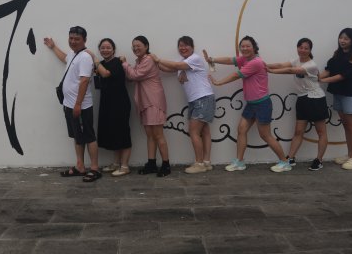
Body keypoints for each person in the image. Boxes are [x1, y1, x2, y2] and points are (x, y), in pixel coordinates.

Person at [204, 36, 292, 173]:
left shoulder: (256, 62)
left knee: (265, 135)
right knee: (241, 130)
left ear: (254, 48)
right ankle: (239, 162)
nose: (244, 48)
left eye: (248, 46)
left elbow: (236, 75)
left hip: (262, 103)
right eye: (242, 46)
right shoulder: (244, 59)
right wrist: (212, 59)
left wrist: (219, 82)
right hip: (251, 103)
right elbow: (230, 60)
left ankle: (284, 162)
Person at [43, 26, 101, 182]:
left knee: (89, 136)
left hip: (81, 106)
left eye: (77, 39)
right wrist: (53, 47)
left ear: (84, 40)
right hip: (69, 104)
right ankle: (80, 166)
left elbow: (84, 81)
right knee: (77, 136)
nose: (73, 41)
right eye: (71, 38)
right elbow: (65, 58)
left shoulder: (85, 57)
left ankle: (94, 168)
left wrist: (78, 104)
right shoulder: (73, 54)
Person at [151, 36, 215, 174]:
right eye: (180, 45)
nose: (183, 48)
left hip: (203, 98)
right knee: (204, 131)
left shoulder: (195, 59)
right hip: (196, 100)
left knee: (194, 131)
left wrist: (158, 59)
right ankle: (206, 162)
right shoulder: (183, 61)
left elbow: (176, 66)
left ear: (192, 47)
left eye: (186, 45)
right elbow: (169, 68)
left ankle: (199, 164)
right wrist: (154, 61)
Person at [267, 38, 329, 171]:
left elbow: (290, 70)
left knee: (321, 132)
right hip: (302, 98)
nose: (303, 50)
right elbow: (281, 64)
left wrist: (271, 71)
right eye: (300, 47)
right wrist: (265, 65)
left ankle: (319, 160)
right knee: (298, 131)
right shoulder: (296, 60)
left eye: (306, 48)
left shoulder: (311, 65)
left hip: (316, 99)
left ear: (310, 50)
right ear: (297, 48)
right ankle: (290, 158)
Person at [121, 36, 171, 177]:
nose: (135, 48)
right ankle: (151, 164)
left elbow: (136, 75)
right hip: (145, 102)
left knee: (158, 134)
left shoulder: (148, 59)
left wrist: (124, 64)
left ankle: (166, 165)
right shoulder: (139, 61)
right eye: (134, 46)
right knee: (150, 135)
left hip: (154, 101)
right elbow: (131, 77)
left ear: (146, 46)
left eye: (138, 46)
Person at [319, 27, 352, 170]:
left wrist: (323, 81)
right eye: (341, 37)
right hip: (338, 93)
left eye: (346, 39)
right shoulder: (337, 53)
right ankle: (350, 155)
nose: (342, 41)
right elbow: (328, 70)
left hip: (350, 94)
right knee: (346, 125)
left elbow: (343, 75)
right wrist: (315, 77)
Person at [88, 38, 132, 177]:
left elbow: (106, 74)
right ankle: (116, 163)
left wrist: (95, 59)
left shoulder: (118, 62)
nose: (105, 50)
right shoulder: (101, 64)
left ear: (113, 49)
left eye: (108, 47)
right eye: (102, 48)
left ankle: (125, 166)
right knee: (113, 133)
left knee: (122, 133)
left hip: (120, 103)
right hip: (107, 103)